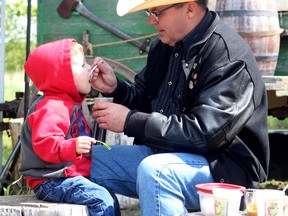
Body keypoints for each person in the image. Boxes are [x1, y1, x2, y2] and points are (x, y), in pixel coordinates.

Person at [88, 0, 270, 215]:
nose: (150, 21)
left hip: (223, 169)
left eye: (156, 13)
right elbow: (146, 99)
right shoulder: (162, 47)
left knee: (157, 172)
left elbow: (204, 134)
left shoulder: (228, 55)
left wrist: (131, 121)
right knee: (82, 160)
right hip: (163, 156)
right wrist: (116, 89)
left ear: (189, 8)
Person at [19, 38, 120, 216]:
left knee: (109, 197)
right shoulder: (51, 107)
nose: (89, 68)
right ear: (62, 76)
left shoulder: (68, 102)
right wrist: (72, 146)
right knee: (102, 199)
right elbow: (45, 144)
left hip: (66, 176)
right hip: (50, 180)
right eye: (82, 65)